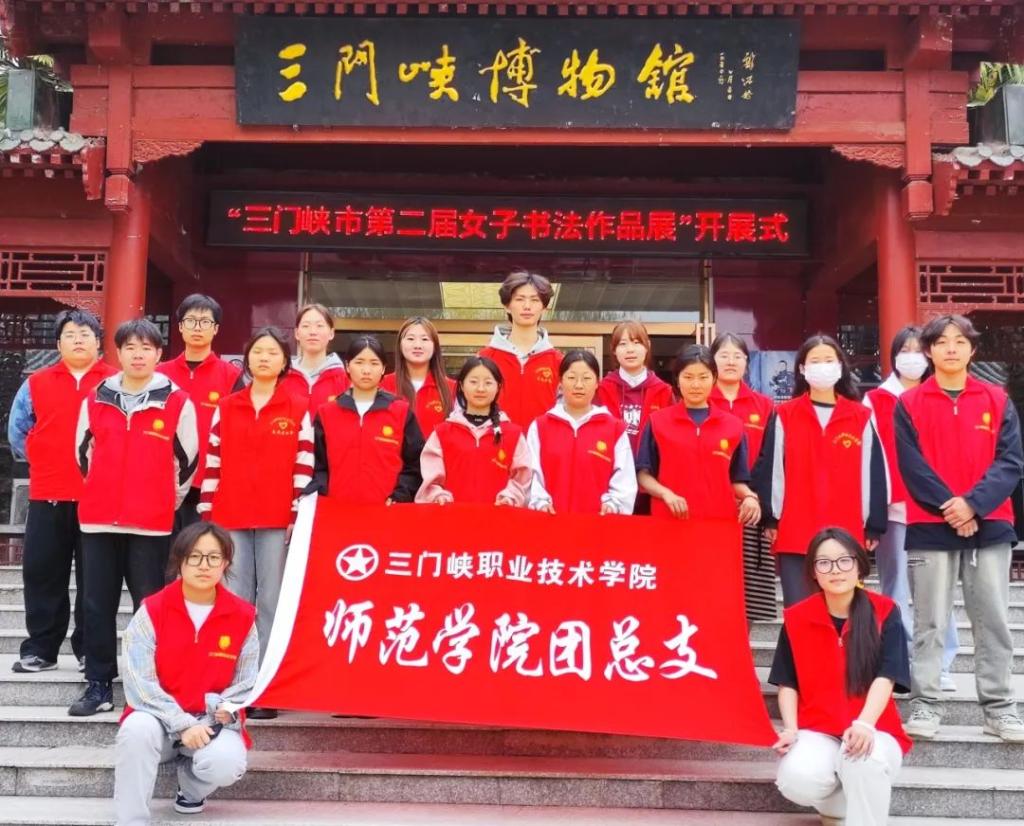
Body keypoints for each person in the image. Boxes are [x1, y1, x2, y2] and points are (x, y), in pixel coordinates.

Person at [896, 314, 1024, 742]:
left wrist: (973, 505)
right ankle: (926, 704)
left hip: (991, 522)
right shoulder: (909, 403)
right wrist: (952, 507)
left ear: (973, 350)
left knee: (993, 619)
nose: (951, 348)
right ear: (929, 351)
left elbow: (1010, 462)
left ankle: (1000, 709)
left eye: (959, 341)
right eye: (941, 342)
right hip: (930, 523)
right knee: (930, 620)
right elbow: (911, 465)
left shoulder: (996, 399)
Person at [69, 319, 199, 717]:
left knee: (150, 607)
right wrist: (104, 490)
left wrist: (162, 499)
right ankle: (98, 684)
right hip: (98, 520)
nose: (138, 354)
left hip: (152, 523)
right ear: (118, 352)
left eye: (146, 348)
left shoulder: (177, 400)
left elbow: (188, 463)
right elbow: (83, 456)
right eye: (130, 347)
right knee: (96, 605)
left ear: (159, 354)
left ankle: (148, 686)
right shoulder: (96, 397)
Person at [198, 327, 313, 721]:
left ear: (285, 362)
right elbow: (212, 462)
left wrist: (296, 514)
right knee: (236, 600)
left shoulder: (299, 406)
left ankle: (267, 685)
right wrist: (207, 516)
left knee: (271, 602)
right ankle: (237, 683)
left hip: (278, 519)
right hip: (229, 516)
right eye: (258, 352)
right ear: (246, 359)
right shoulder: (228, 406)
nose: (264, 358)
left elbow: (304, 466)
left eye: (273, 353)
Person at [114, 521, 257, 825]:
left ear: (226, 563)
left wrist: (220, 711)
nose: (204, 565)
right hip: (157, 719)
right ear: (180, 560)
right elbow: (139, 681)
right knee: (135, 731)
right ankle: (131, 820)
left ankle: (191, 792)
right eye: (195, 556)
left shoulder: (243, 616)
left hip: (210, 723)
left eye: (213, 557)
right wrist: (181, 723)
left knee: (226, 763)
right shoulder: (152, 610)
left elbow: (246, 682)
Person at [771, 527, 911, 826]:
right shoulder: (797, 618)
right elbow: (787, 681)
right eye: (824, 563)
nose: (835, 570)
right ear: (813, 572)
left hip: (875, 730)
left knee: (863, 757)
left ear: (859, 565)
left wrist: (864, 724)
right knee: (796, 778)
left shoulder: (884, 611)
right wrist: (791, 729)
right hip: (818, 730)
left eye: (844, 560)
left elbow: (887, 675)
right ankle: (838, 805)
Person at [6, 309, 116, 673]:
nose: (78, 340)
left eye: (86, 334)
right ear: (58, 343)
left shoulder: (114, 382)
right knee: (43, 573)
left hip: (98, 496)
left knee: (95, 579)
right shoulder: (36, 382)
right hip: (48, 493)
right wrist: (45, 458)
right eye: (70, 334)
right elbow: (18, 431)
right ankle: (41, 649)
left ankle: (89, 649)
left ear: (98, 342)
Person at [753, 334, 887, 608]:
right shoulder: (785, 414)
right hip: (795, 530)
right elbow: (773, 469)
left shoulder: (860, 416)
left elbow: (872, 474)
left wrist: (873, 524)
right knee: (799, 610)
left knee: (843, 610)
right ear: (802, 368)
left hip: (846, 530)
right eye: (815, 361)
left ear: (840, 366)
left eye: (829, 360)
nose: (822, 366)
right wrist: (771, 518)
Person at [865, 326, 959, 694]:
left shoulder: (942, 396)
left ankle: (941, 662)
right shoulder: (876, 400)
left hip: (935, 508)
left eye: (919, 350)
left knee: (938, 588)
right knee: (895, 586)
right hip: (893, 509)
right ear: (893, 356)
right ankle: (900, 659)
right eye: (904, 350)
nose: (912, 357)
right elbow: (869, 458)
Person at [637, 344, 761, 530]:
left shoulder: (734, 426)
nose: (695, 385)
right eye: (688, 377)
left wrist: (750, 497)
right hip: (669, 521)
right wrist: (665, 494)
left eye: (703, 377)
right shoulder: (657, 422)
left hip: (720, 525)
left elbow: (736, 479)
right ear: (677, 379)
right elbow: (643, 475)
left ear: (714, 378)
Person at [306, 335, 424, 504]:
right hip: (337, 510)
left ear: (383, 368)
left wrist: (400, 495)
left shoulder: (401, 411)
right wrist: (324, 493)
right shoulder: (326, 413)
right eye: (359, 362)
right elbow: (317, 465)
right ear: (347, 366)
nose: (366, 370)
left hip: (387, 511)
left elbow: (416, 464)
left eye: (374, 363)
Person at [158, 294, 242, 529]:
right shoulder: (160, 375)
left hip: (209, 482)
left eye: (205, 321)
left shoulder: (232, 376)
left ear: (215, 329)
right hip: (163, 479)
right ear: (180, 326)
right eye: (191, 320)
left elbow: (237, 431)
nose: (197, 327)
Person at [709, 332, 777, 626]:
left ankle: (742, 649)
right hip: (711, 505)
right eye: (723, 355)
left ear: (747, 362)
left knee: (748, 592)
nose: (730, 361)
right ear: (712, 361)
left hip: (751, 506)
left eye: (737, 356)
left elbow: (770, 457)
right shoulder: (700, 400)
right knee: (711, 585)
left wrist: (756, 498)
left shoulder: (764, 405)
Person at [527, 350, 636, 515]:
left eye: (586, 378)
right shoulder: (540, 427)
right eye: (571, 378)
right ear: (560, 383)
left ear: (597, 383)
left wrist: (613, 505)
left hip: (598, 524)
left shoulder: (615, 429)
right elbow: (531, 475)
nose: (579, 385)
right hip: (549, 522)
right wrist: (540, 503)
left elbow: (625, 480)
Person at [417, 355, 531, 507]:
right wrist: (438, 496)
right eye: (473, 382)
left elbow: (522, 478)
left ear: (498, 386)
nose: (480, 388)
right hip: (452, 517)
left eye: (488, 382)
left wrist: (510, 498)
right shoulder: (442, 432)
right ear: (461, 385)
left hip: (499, 517)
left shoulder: (513, 434)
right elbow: (430, 479)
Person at [479, 271, 563, 427]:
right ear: (507, 306)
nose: (527, 306)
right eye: (520, 299)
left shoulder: (558, 361)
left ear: (544, 308)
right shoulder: (485, 358)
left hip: (542, 441)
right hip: (496, 439)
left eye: (534, 300)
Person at [381, 316, 455, 438]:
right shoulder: (383, 385)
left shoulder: (452, 388)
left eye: (425, 339)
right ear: (400, 344)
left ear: (435, 346)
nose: (417, 345)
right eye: (410, 339)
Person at [278, 303, 349, 412]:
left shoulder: (345, 379)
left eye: (319, 326)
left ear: (331, 333)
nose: (312, 332)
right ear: (296, 333)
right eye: (306, 326)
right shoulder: (281, 377)